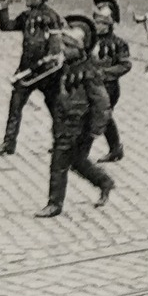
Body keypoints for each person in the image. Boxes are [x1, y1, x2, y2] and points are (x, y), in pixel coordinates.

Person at [35, 15, 115, 218]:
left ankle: (54, 203)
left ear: (81, 49)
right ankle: (104, 181)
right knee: (77, 162)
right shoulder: (66, 66)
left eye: (69, 47)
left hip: (80, 125)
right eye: (64, 45)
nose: (64, 50)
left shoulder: (89, 72)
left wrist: (96, 129)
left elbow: (102, 102)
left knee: (59, 162)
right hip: (64, 122)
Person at [0, 0, 67, 155]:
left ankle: (61, 142)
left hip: (46, 70)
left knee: (55, 108)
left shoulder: (52, 17)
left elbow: (55, 44)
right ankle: (8, 143)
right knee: (16, 104)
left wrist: (49, 62)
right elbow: (7, 26)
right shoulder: (26, 16)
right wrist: (3, 8)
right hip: (26, 69)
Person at [91, 0, 132, 163]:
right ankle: (115, 148)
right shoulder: (90, 39)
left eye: (102, 23)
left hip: (109, 87)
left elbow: (125, 65)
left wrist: (106, 73)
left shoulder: (118, 44)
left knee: (102, 116)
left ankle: (114, 148)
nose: (98, 26)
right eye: (96, 22)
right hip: (91, 84)